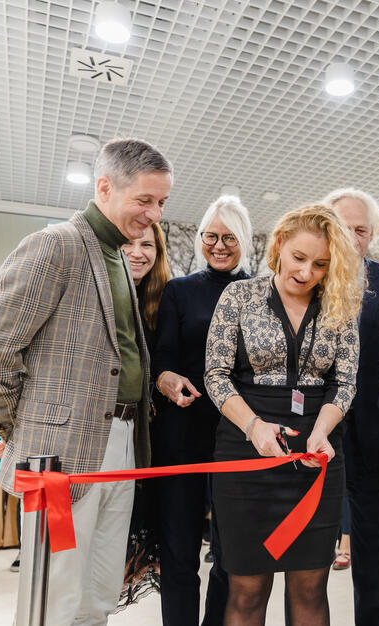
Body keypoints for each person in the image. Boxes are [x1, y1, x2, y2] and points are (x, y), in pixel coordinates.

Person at [0, 138, 170, 624]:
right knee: (53, 597)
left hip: (122, 443)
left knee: (99, 592)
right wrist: (19, 429)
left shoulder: (120, 257)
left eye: (161, 203)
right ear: (104, 186)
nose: (155, 215)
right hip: (61, 455)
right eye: (144, 200)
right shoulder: (56, 244)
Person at [204, 204, 361, 626]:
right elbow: (215, 375)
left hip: (317, 451)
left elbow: (345, 383)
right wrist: (254, 427)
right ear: (279, 246)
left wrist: (324, 430)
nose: (307, 271)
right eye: (299, 257)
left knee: (311, 586)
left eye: (321, 264)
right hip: (245, 448)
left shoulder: (339, 307)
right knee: (248, 589)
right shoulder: (239, 296)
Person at [153, 196, 253, 626]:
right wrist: (167, 380)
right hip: (182, 434)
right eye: (210, 236)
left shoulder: (260, 293)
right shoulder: (179, 290)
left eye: (229, 237)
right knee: (179, 551)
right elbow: (161, 361)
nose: (219, 245)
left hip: (237, 436)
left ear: (244, 240)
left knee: (231, 554)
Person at [323, 187, 379, 624]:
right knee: (311, 539)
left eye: (361, 230)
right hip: (312, 426)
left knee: (369, 536)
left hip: (371, 425)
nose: (351, 238)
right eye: (341, 228)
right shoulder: (306, 275)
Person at [119, 221, 171, 609]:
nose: (139, 252)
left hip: (149, 441)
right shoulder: (99, 294)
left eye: (148, 245)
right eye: (131, 243)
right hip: (103, 432)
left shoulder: (162, 303)